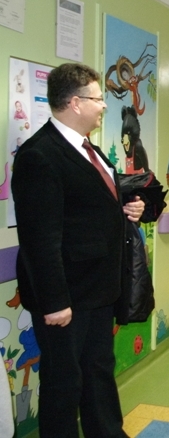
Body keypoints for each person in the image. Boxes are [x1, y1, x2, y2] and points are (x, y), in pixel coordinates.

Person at [11, 63, 145, 438]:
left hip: (97, 292)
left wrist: (128, 207)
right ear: (75, 102)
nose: (104, 106)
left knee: (98, 372)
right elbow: (39, 239)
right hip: (66, 297)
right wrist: (55, 302)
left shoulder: (90, 150)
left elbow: (91, 203)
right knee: (63, 383)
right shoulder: (40, 156)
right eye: (98, 99)